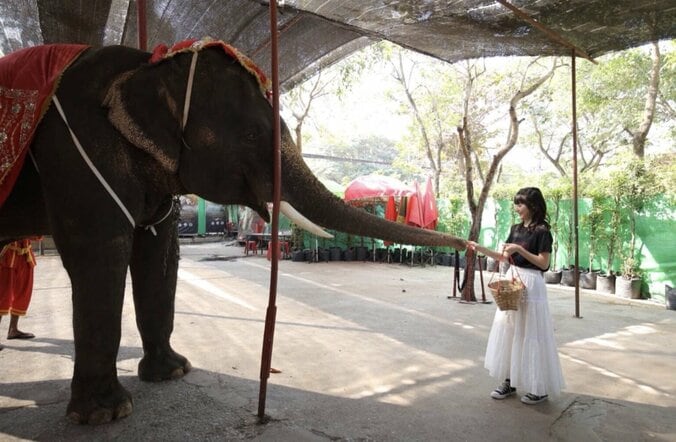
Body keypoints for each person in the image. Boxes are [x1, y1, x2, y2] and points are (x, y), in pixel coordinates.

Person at [468, 187, 565, 405]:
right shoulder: (515, 229)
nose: (517, 208)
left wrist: (519, 250)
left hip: (532, 284)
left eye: (521, 204)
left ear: (533, 206)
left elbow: (544, 263)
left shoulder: (542, 231)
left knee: (531, 333)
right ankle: (509, 381)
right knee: (510, 331)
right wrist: (479, 248)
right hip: (514, 280)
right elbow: (503, 257)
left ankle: (538, 388)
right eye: (517, 204)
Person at [0, 238, 39, 351]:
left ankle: (13, 329)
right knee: (2, 296)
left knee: (23, 293)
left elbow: (36, 236)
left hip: (25, 255)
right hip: (6, 254)